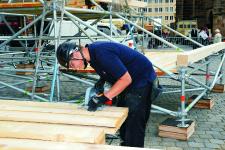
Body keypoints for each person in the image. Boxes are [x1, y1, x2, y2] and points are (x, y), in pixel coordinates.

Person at [56, 41, 157, 147]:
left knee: (133, 126)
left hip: (141, 81)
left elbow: (126, 79)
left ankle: (133, 146)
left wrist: (103, 98)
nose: (75, 68)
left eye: (72, 64)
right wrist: (102, 81)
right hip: (129, 81)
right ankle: (125, 145)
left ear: (75, 53)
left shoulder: (101, 53)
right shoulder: (92, 56)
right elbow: (109, 68)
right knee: (123, 120)